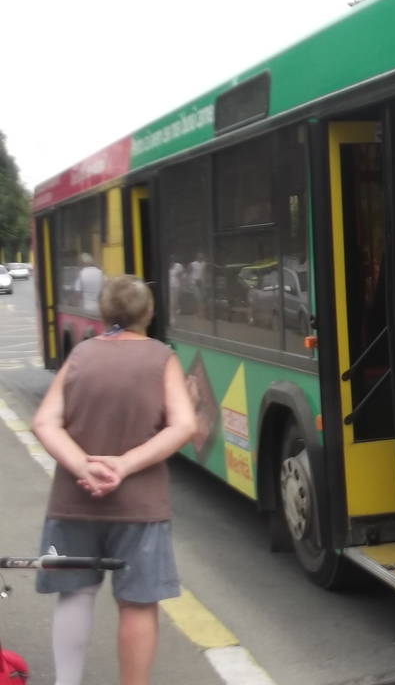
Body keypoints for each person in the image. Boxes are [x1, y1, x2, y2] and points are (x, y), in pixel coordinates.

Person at [31, 275, 197, 685]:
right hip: (139, 507)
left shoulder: (80, 355)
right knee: (137, 605)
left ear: (103, 313)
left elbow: (44, 422)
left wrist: (83, 466)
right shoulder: (162, 358)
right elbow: (183, 425)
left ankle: (66, 682)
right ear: (149, 312)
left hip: (73, 501)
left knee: (74, 594)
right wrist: (123, 466)